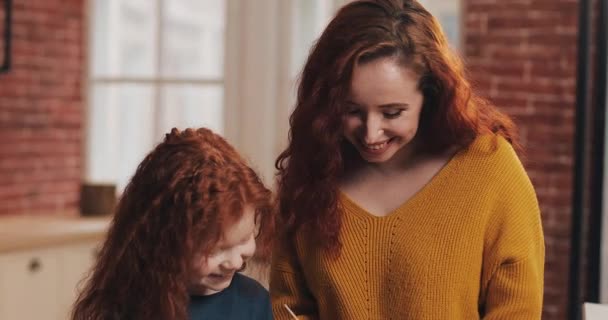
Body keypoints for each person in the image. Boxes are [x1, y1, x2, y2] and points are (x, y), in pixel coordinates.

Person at [270, 0, 544, 319]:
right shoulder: (312, 175)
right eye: (351, 111)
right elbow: (288, 305)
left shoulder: (489, 167)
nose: (371, 134)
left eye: (392, 112)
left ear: (431, 93)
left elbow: (517, 310)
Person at [71, 128, 275, 320]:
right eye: (214, 250)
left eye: (245, 238)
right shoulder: (126, 305)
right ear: (164, 245)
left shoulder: (255, 303)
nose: (235, 263)